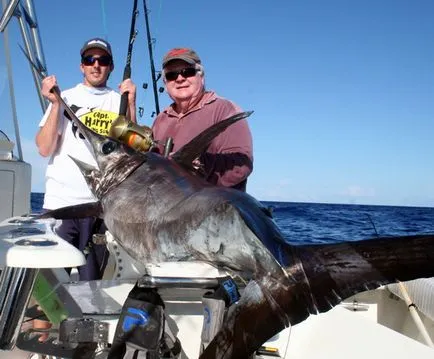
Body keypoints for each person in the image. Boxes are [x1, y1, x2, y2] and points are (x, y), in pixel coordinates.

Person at [36, 37, 137, 281]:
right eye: (89, 59)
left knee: (91, 286)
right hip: (60, 206)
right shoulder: (64, 97)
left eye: (103, 60)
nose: (95, 65)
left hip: (98, 208)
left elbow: (134, 152)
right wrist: (56, 105)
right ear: (81, 65)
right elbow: (43, 148)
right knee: (47, 285)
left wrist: (131, 103)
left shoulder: (118, 101)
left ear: (111, 66)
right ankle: (45, 321)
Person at [152, 48, 253, 191]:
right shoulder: (160, 119)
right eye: (171, 75)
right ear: (165, 83)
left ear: (201, 76)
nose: (180, 78)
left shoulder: (224, 109)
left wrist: (198, 165)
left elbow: (242, 164)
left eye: (187, 72)